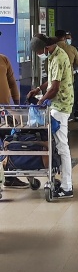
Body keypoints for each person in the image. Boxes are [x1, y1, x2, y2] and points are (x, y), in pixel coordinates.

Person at [28, 34, 74, 199]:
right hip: (57, 105)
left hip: (61, 106)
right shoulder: (54, 55)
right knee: (57, 145)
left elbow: (54, 88)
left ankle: (67, 187)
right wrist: (39, 90)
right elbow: (51, 81)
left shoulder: (59, 57)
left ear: (45, 48)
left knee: (62, 147)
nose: (39, 55)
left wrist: (42, 101)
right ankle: (62, 182)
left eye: (39, 52)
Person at [0, 50, 25, 189]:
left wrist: (17, 106)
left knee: (10, 143)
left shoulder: (4, 59)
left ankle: (11, 177)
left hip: (4, 112)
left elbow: (12, 83)